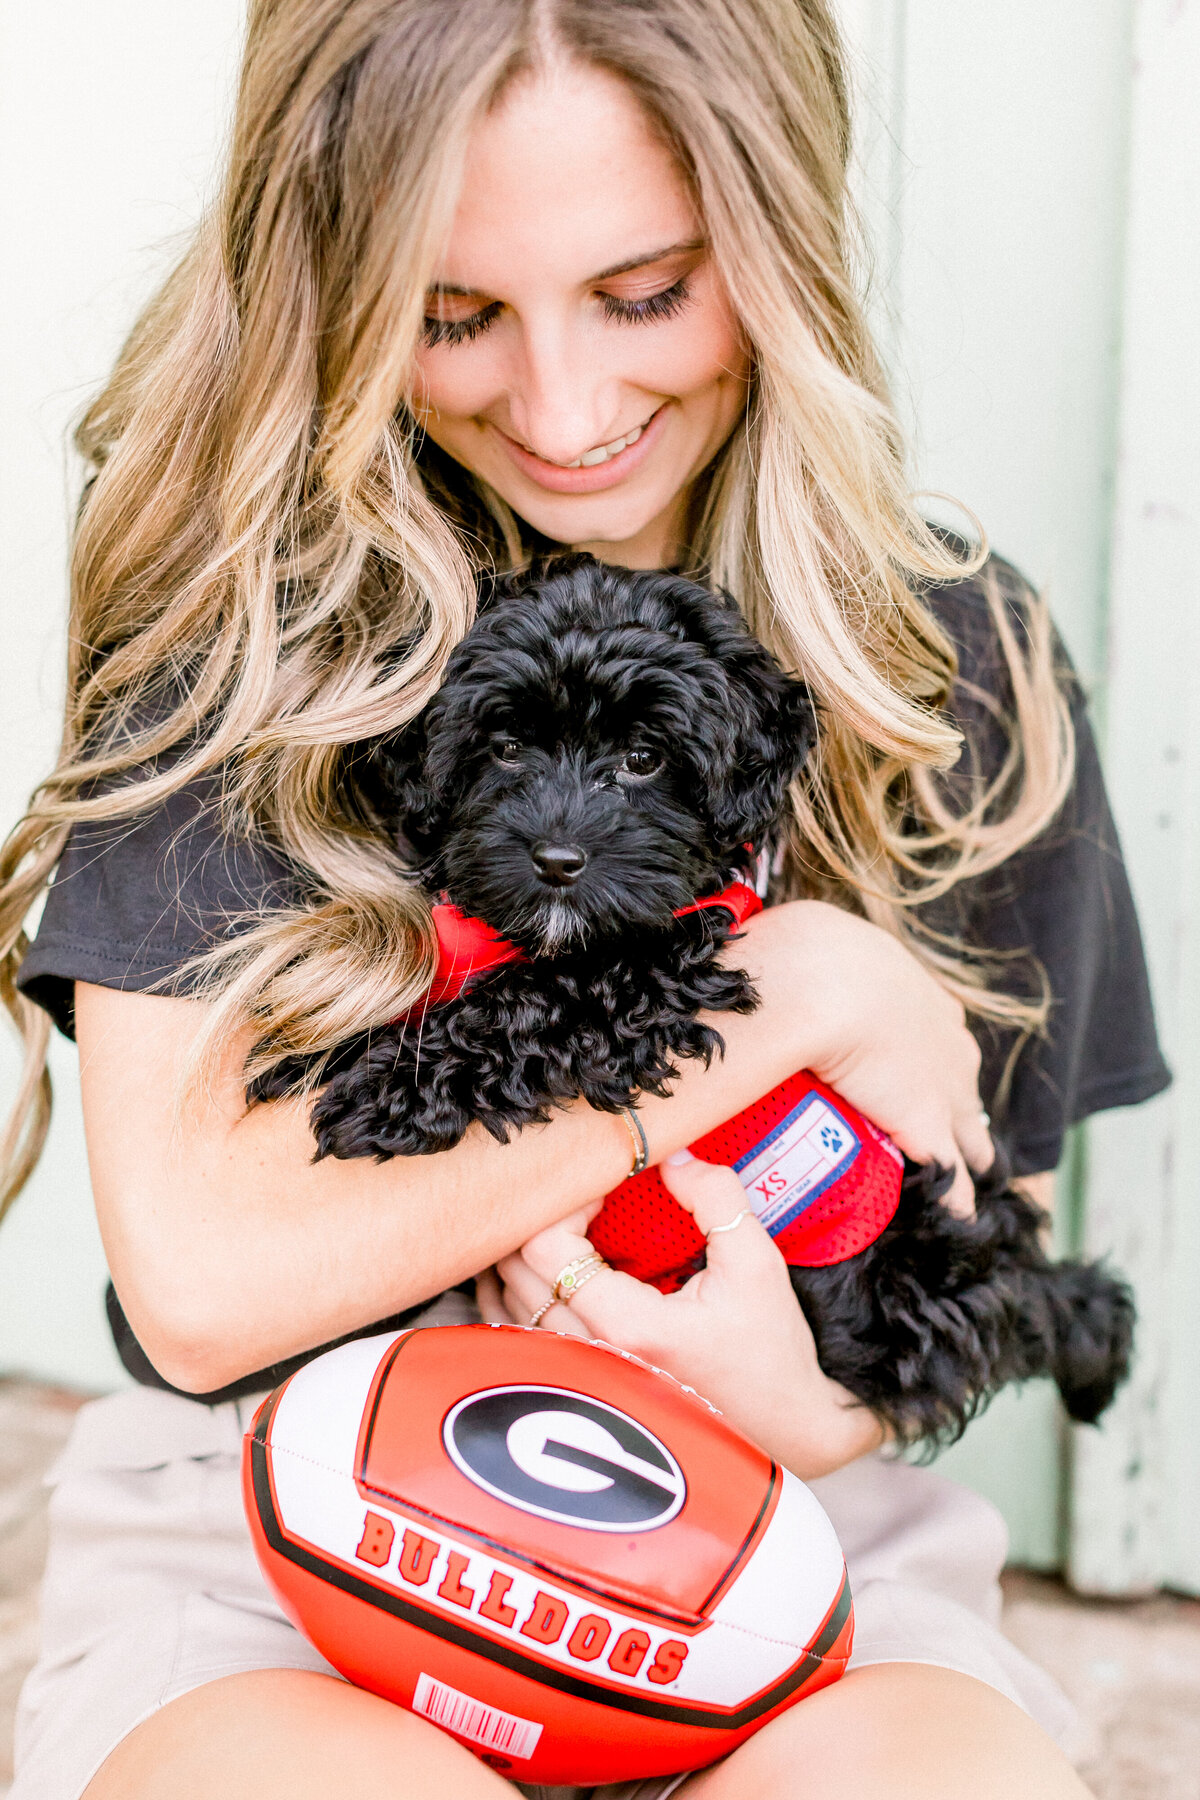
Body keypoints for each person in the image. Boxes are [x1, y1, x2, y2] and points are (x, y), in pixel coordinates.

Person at [0, 3, 1168, 1797]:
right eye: (454, 316)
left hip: (793, 1520)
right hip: (282, 1504)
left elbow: (963, 1245)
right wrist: (797, 983)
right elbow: (210, 1291)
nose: (560, 412)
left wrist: (806, 1412)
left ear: (779, 243)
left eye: (644, 294)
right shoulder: (247, 630)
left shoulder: (954, 659)